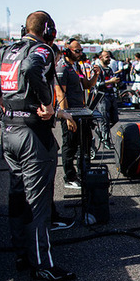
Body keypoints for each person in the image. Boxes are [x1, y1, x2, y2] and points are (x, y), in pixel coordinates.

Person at [0, 10, 76, 281]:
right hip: (32, 136)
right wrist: (48, 102)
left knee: (17, 195)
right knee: (37, 202)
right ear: (48, 29)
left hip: (9, 132)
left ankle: (22, 253)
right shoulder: (43, 50)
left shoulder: (6, 51)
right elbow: (30, 68)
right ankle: (43, 265)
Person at [56, 38, 95, 189]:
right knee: (70, 146)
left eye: (81, 51)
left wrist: (95, 75)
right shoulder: (62, 67)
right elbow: (61, 95)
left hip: (81, 111)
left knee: (85, 142)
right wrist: (67, 117)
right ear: (67, 51)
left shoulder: (76, 66)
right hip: (70, 113)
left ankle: (83, 173)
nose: (80, 53)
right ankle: (69, 177)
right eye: (77, 51)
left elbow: (87, 85)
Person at [92, 51, 118, 148]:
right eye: (107, 57)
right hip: (102, 97)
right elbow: (97, 85)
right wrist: (110, 81)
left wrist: (114, 82)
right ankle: (105, 140)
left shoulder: (110, 69)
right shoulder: (97, 69)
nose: (109, 59)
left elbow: (111, 81)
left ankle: (101, 132)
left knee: (115, 119)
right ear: (100, 57)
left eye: (109, 57)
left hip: (111, 95)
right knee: (104, 120)